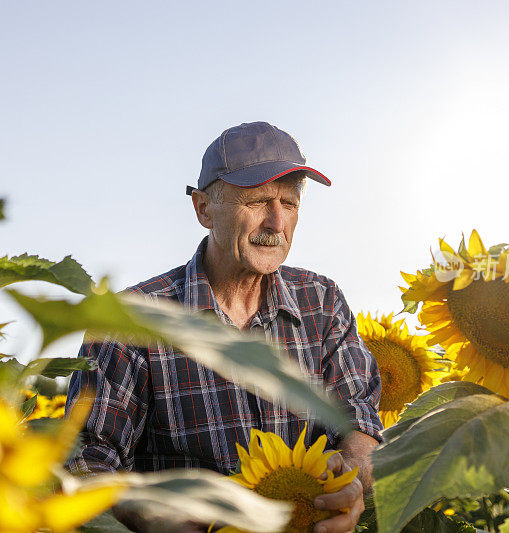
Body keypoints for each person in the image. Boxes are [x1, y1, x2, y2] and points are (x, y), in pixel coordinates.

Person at [65, 121, 382, 533]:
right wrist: (153, 517)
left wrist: (352, 480)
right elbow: (87, 456)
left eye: (289, 203)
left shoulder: (322, 302)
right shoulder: (133, 320)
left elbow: (361, 420)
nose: (276, 223)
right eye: (257, 201)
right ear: (203, 209)